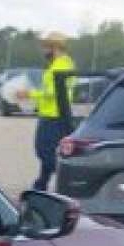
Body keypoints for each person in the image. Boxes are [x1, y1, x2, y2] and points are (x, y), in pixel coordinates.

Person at [31, 31, 76, 191]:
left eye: (46, 47)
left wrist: (29, 94)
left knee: (44, 151)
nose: (44, 51)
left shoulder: (62, 65)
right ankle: (41, 184)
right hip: (51, 114)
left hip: (54, 116)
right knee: (48, 151)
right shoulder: (58, 64)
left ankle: (70, 178)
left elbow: (53, 92)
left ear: (54, 47)